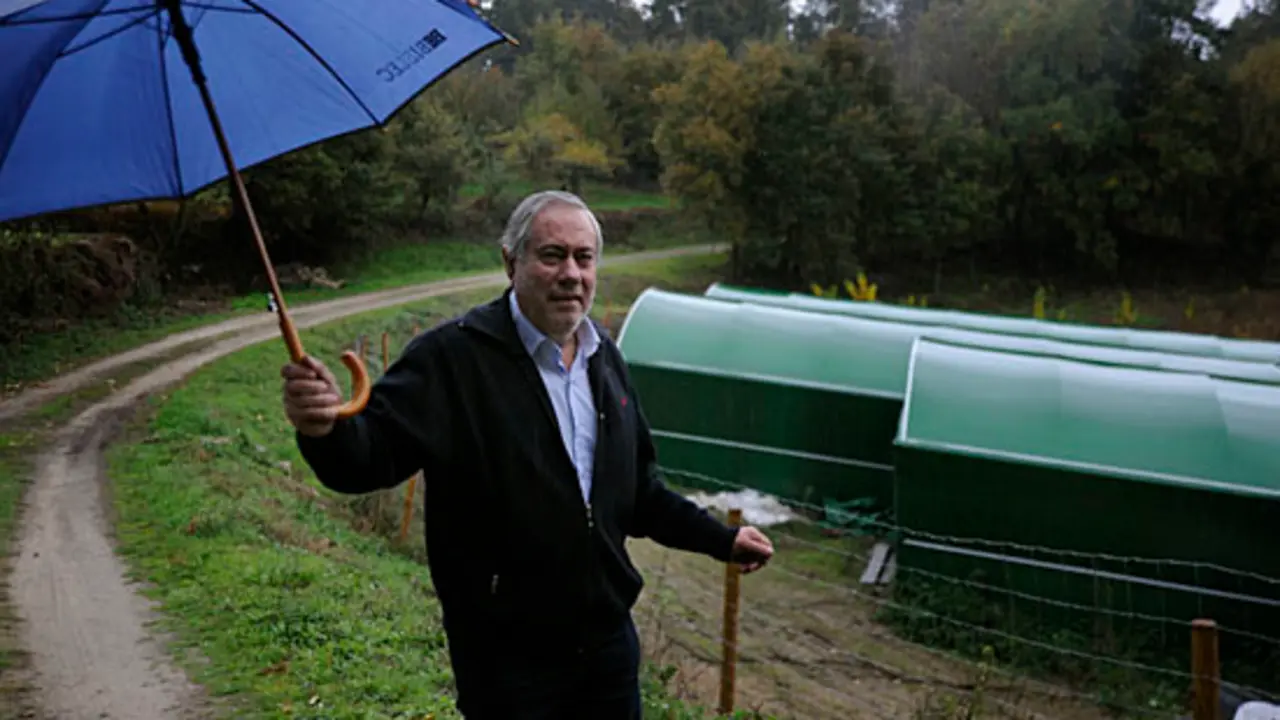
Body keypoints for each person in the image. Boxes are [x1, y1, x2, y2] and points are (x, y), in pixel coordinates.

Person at [280, 190, 775, 719]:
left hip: (606, 652)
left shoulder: (603, 357)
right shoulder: (452, 359)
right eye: (552, 255)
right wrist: (324, 428)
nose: (571, 274)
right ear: (510, 262)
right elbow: (367, 459)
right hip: (506, 661)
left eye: (584, 258)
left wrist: (720, 539)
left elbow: (637, 492)